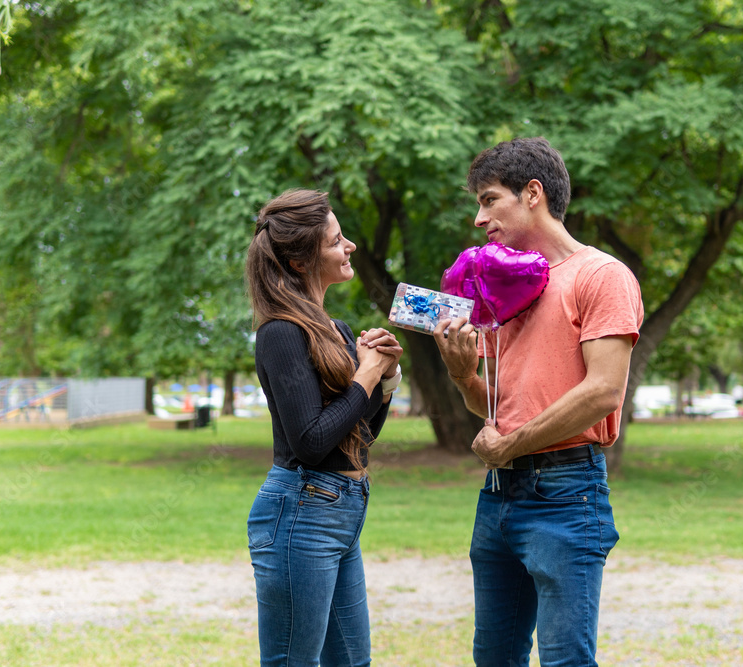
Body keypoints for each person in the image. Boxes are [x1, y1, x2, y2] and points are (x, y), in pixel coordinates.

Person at [433, 138, 644, 666]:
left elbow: (602, 391)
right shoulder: (504, 291)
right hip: (499, 495)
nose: (479, 219)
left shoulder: (601, 276)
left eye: (488, 200)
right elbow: (500, 409)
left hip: (566, 496)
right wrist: (462, 375)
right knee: (494, 659)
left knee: (565, 661)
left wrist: (509, 444)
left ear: (533, 194)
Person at [244, 189, 403, 667]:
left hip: (343, 509)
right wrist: (366, 374)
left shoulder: (336, 328)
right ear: (299, 262)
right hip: (301, 511)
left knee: (352, 661)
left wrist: (387, 379)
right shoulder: (280, 333)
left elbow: (358, 437)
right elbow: (311, 442)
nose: (350, 245)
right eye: (337, 241)